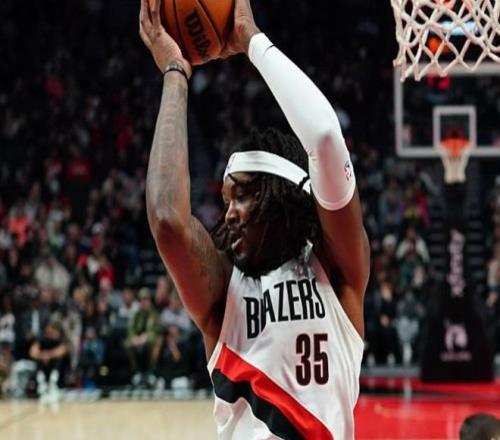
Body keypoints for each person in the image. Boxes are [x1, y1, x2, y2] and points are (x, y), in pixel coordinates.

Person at [139, 0, 370, 438]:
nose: (228, 212)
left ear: (282, 196)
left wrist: (252, 41)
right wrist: (174, 72)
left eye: (242, 195)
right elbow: (168, 220)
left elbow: (324, 136)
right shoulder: (224, 288)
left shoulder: (338, 269)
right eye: (226, 198)